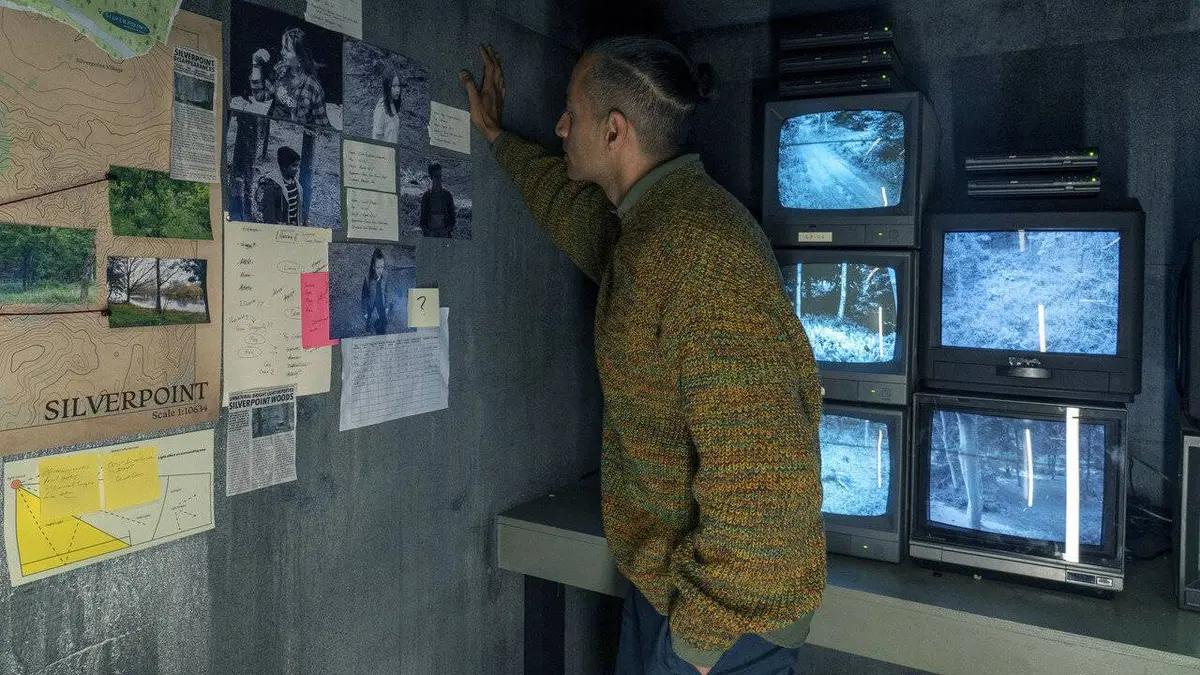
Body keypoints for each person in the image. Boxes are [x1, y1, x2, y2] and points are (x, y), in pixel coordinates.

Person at [461, 39, 825, 675]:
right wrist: (497, 137)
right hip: (674, 591)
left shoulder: (701, 250)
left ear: (614, 131)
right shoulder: (651, 226)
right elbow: (572, 211)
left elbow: (767, 478)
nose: (560, 126)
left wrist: (696, 648)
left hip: (728, 621)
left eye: (571, 112)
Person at [250, 27, 331, 127]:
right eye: (282, 47)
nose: (282, 52)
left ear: (300, 56)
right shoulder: (281, 71)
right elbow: (260, 95)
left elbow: (322, 127)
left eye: (287, 49)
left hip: (294, 135)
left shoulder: (313, 87)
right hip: (272, 129)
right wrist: (256, 63)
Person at [253, 146, 304, 226]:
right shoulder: (272, 186)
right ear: (284, 167)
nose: (297, 169)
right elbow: (269, 215)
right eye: (294, 166)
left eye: (298, 166)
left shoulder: (296, 184)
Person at [418, 162, 456, 238]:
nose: (439, 179)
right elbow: (423, 220)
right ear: (431, 177)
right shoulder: (426, 196)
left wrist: (447, 230)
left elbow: (452, 217)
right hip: (430, 235)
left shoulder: (447, 195)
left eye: (440, 176)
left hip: (444, 235)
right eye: (436, 176)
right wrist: (428, 232)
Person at [360, 247, 389, 334]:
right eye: (378, 267)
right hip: (371, 302)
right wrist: (365, 312)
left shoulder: (385, 275)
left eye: (382, 267)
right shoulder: (367, 279)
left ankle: (381, 328)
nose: (380, 270)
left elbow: (386, 292)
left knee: (384, 321)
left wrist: (387, 306)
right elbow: (364, 296)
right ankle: (368, 326)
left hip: (381, 301)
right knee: (368, 318)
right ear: (373, 267)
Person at [372, 70, 403, 143]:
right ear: (387, 86)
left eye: (399, 86)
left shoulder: (392, 103)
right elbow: (376, 139)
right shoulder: (381, 108)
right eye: (394, 86)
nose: (398, 90)